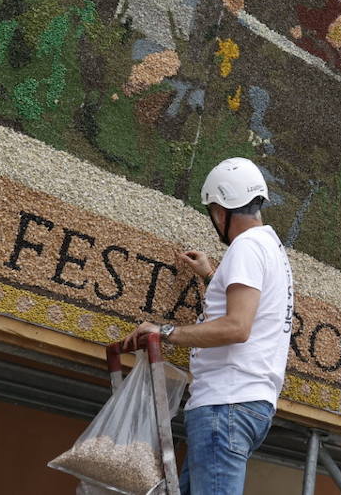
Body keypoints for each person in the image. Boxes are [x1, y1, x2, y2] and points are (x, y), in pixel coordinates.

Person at [124, 157, 294, 494]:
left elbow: (237, 327)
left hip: (225, 405)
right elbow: (249, 311)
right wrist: (211, 275)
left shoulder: (246, 247)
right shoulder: (269, 247)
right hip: (244, 404)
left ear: (220, 211)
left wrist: (165, 332)